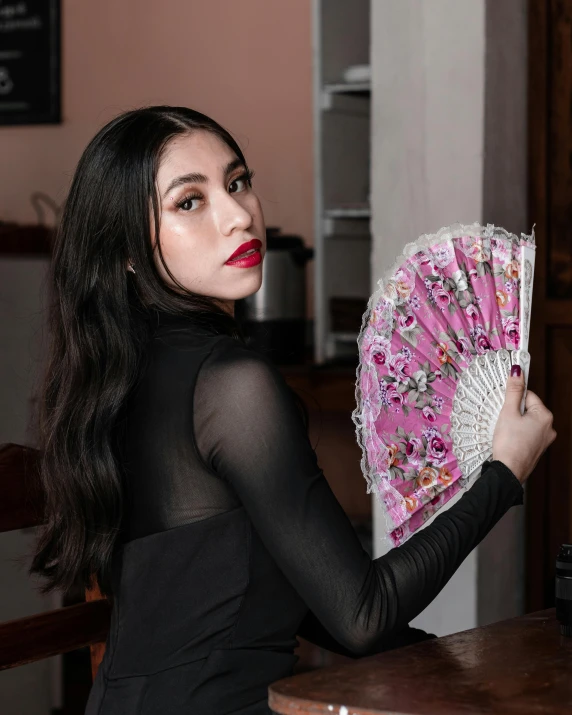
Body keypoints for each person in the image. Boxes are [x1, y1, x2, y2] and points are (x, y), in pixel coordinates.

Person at [30, 106, 556, 715]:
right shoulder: (231, 386)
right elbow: (362, 616)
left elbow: (309, 606)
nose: (237, 216)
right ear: (126, 250)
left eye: (236, 183)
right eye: (189, 202)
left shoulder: (125, 377)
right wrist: (503, 473)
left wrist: (465, 662)